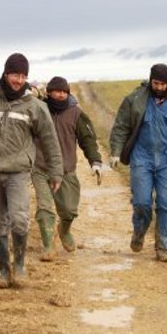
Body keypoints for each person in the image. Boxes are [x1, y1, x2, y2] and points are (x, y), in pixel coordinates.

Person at [0, 53, 64, 288]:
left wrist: (56, 171)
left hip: (18, 172)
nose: (19, 79)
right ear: (6, 73)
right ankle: (4, 272)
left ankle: (20, 267)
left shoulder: (35, 106)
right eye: (15, 74)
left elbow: (50, 140)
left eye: (23, 76)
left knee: (20, 220)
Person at [108, 64, 167, 262]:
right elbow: (121, 127)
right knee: (142, 203)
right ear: (150, 80)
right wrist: (115, 152)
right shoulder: (135, 100)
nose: (159, 87)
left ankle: (164, 246)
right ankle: (139, 231)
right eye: (155, 83)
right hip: (141, 158)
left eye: (162, 84)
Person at [32, 76, 103, 261]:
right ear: (49, 92)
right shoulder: (38, 108)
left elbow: (88, 140)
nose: (61, 94)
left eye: (65, 91)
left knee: (69, 210)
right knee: (44, 208)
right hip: (41, 167)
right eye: (57, 91)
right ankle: (48, 246)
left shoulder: (76, 113)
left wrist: (95, 161)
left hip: (66, 169)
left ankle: (64, 231)